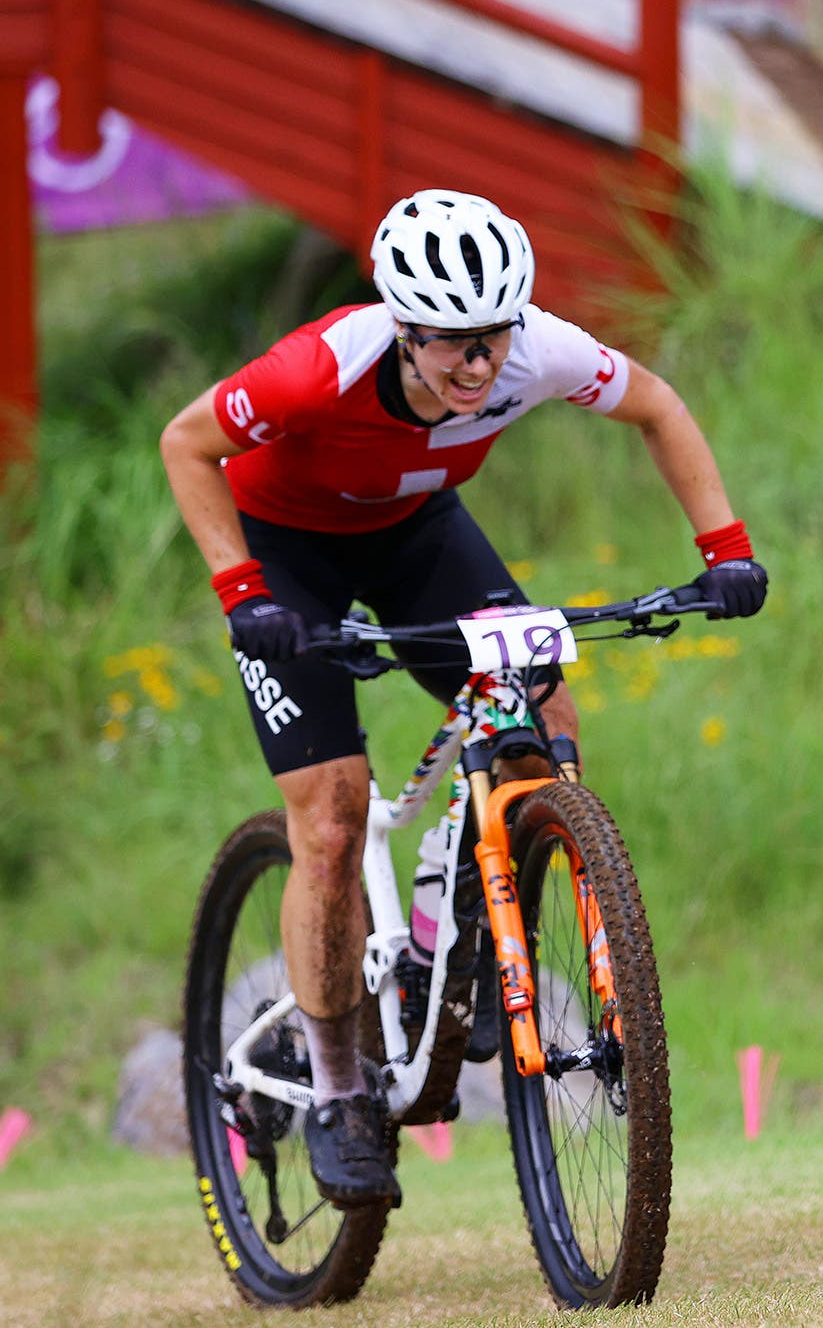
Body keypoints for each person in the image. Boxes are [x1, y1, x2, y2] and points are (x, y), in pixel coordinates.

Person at [160, 190, 767, 1208]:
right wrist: (242, 591)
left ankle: (445, 946)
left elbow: (657, 404)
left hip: (414, 533)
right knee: (334, 810)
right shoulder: (325, 366)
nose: (479, 366)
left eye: (493, 338)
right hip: (285, 551)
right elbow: (188, 444)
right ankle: (343, 1092)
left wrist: (726, 550)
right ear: (402, 328)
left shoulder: (539, 351)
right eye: (452, 346)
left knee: (546, 716)